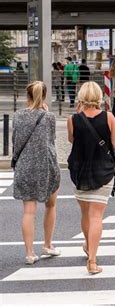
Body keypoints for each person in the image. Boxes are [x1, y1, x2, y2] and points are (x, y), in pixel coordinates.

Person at [67, 81, 115, 275]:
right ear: (100, 97)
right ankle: (92, 261)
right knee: (96, 216)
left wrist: (79, 114)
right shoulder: (108, 117)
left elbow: (72, 140)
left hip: (80, 172)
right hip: (103, 171)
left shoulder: (72, 119)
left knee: (85, 214)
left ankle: (88, 245)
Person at [12, 81, 61, 265]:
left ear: (28, 96)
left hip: (25, 166)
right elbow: (51, 141)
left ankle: (30, 253)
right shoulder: (48, 117)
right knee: (51, 205)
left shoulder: (17, 116)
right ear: (44, 96)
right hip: (46, 166)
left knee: (29, 212)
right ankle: (47, 244)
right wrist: (46, 112)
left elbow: (16, 142)